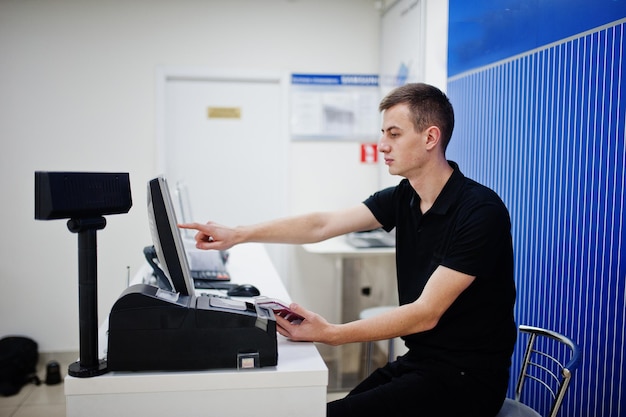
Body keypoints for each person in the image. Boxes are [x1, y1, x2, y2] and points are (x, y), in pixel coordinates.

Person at [179, 83, 516, 417]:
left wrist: (332, 334)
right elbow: (321, 225)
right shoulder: (405, 197)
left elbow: (426, 313)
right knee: (324, 410)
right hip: (421, 363)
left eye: (394, 134)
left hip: (467, 380)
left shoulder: (480, 212)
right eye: (383, 133)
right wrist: (238, 234)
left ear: (430, 138)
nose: (382, 145)